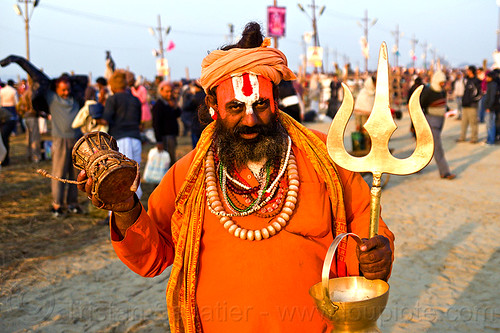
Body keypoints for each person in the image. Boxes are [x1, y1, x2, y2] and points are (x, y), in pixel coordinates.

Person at [77, 22, 394, 332]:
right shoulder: (188, 175)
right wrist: (125, 208)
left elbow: (366, 227)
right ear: (213, 105)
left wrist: (376, 256)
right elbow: (153, 257)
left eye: (260, 104)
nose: (251, 118)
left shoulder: (321, 156)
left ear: (275, 99)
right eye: (235, 107)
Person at [100, 70, 143, 199]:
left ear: (112, 87)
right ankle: (136, 209)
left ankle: (115, 214)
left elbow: (105, 120)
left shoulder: (112, 99)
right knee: (135, 176)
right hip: (136, 139)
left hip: (120, 140)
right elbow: (140, 122)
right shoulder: (135, 100)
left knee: (120, 177)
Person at [420, 71, 456, 179]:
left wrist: (449, 110)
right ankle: (445, 172)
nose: (443, 84)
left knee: (425, 146)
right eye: (441, 82)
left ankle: (416, 166)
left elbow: (442, 103)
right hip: (431, 122)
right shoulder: (428, 92)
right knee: (437, 148)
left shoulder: (441, 92)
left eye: (443, 82)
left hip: (440, 122)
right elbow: (420, 106)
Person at [151, 81, 181, 164]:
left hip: (171, 135)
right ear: (161, 91)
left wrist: (175, 107)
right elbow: (156, 124)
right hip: (165, 137)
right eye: (167, 91)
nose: (170, 94)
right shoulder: (159, 105)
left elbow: (177, 115)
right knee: (167, 161)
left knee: (171, 158)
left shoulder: (171, 103)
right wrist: (159, 141)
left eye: (171, 91)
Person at [16, 78, 42, 162]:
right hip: (32, 116)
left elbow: (21, 105)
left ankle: (29, 155)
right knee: (35, 137)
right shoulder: (32, 92)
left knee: (29, 137)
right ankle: (35, 156)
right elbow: (33, 105)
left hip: (27, 116)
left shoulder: (26, 92)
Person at [457, 65, 482, 143]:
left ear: (471, 71)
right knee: (464, 123)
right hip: (465, 105)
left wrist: (472, 101)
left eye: (468, 70)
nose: (467, 72)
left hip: (472, 106)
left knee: (473, 123)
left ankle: (474, 138)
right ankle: (462, 137)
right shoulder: (466, 80)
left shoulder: (476, 81)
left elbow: (478, 94)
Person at [0, 79, 19, 166]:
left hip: (5, 112)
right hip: (10, 109)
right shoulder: (13, 91)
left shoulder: (2, 91)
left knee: (3, 139)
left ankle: (4, 160)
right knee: (4, 139)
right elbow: (16, 102)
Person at [482, 71, 499, 145]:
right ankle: (489, 138)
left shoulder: (492, 85)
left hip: (490, 108)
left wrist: (489, 107)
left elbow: (492, 97)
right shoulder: (490, 84)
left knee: (490, 124)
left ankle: (490, 140)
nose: (486, 78)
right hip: (489, 107)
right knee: (489, 124)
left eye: (487, 77)